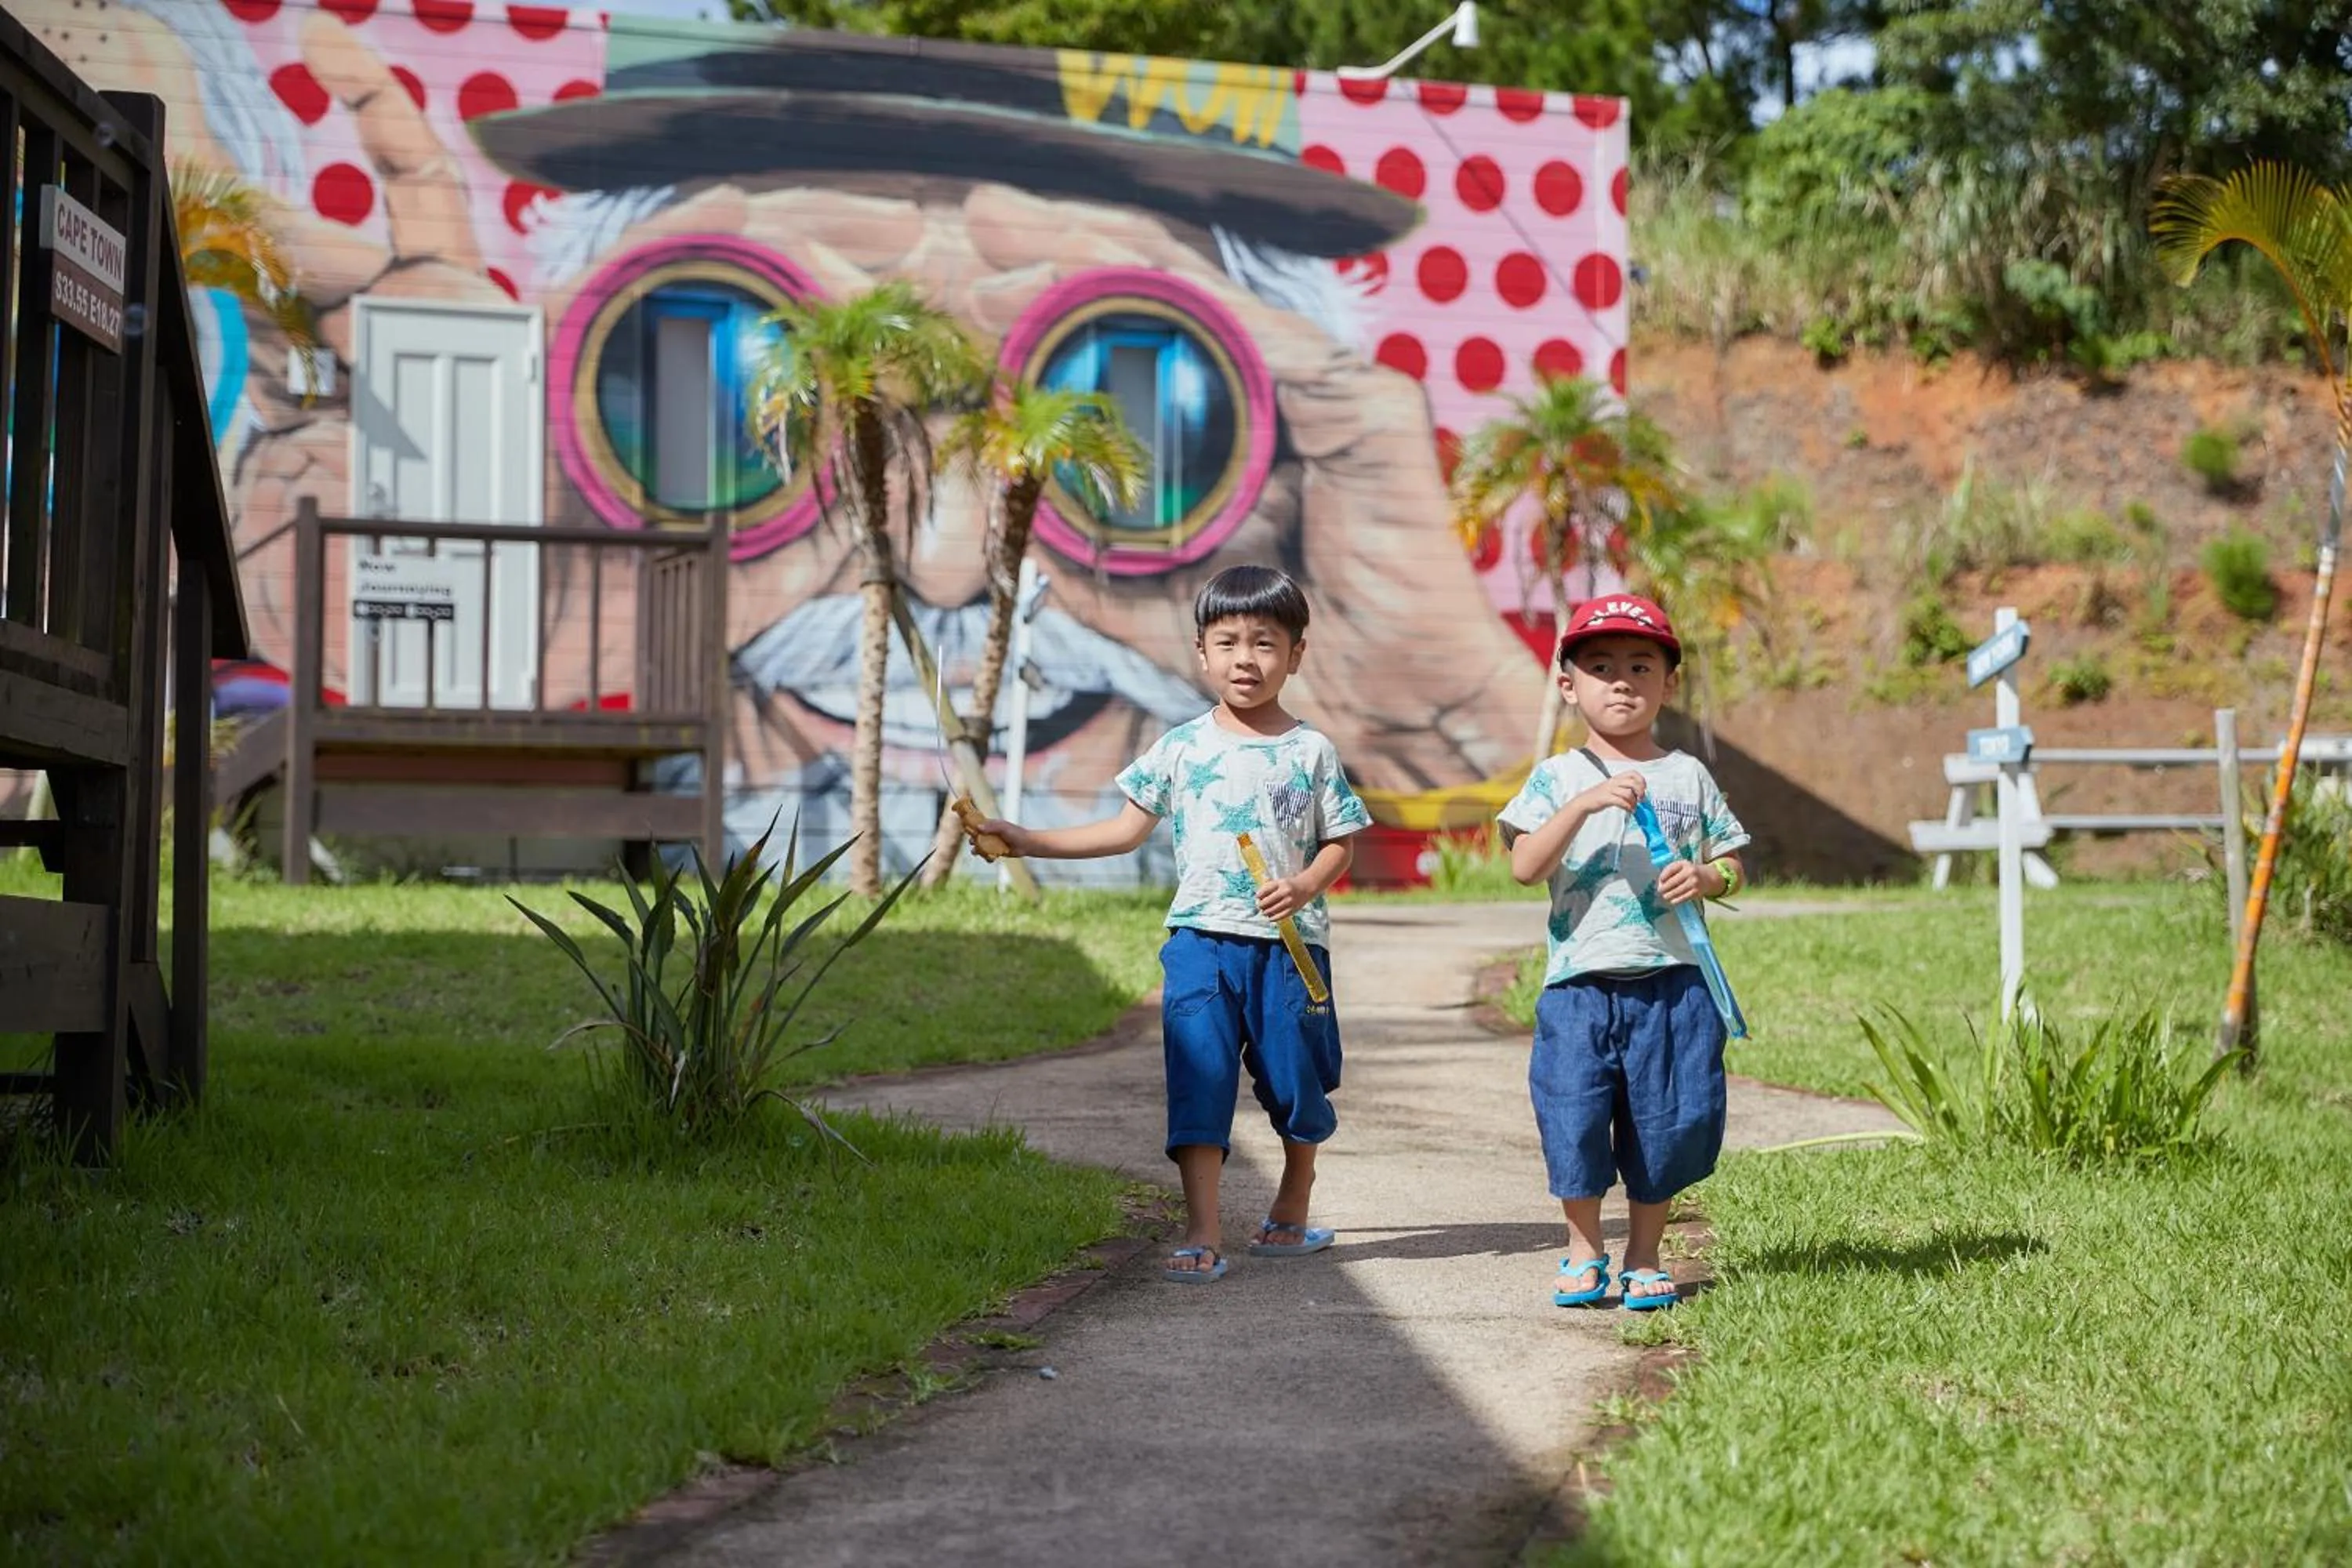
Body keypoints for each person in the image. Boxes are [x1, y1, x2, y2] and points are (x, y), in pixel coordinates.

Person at [979, 564, 1371, 1283]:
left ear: (1296, 653)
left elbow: (1342, 840)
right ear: (1202, 652)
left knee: (1296, 1082)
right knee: (1201, 1078)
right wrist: (1027, 839)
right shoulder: (1181, 747)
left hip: (1289, 949)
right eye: (1227, 643)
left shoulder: (1311, 750)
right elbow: (1125, 830)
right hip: (1198, 942)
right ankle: (1202, 1230)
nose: (1245, 659)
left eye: (1264, 643)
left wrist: (1306, 881)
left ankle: (1295, 1192)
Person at [1496, 594, 1750, 1310]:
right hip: (1580, 984)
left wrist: (1705, 876)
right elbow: (1524, 866)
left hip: (1673, 982)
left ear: (1669, 682)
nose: (1622, 681)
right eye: (1600, 667)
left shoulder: (1689, 776)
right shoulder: (1555, 777)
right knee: (1572, 1116)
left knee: (1668, 1121)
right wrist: (1583, 804)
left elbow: (1733, 865)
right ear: (1568, 683)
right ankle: (1584, 1248)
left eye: (1641, 666)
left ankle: (1644, 1254)